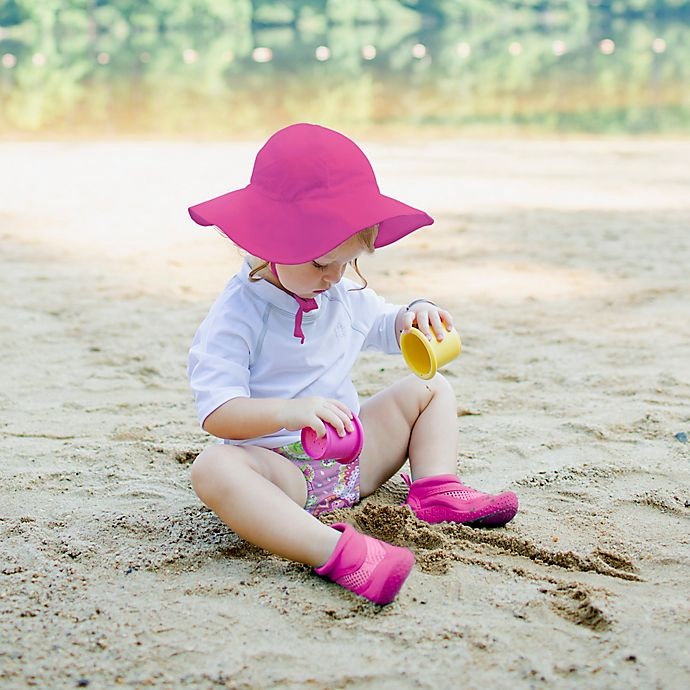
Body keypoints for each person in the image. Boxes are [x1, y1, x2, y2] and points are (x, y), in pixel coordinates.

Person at [187, 123, 518, 606]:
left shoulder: (338, 291)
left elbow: (386, 324)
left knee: (431, 390)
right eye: (323, 262)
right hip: (282, 475)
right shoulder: (238, 315)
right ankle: (339, 553)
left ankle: (436, 489)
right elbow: (218, 412)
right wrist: (290, 412)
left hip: (352, 460)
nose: (336, 277)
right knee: (213, 469)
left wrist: (415, 315)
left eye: (349, 261)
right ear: (271, 242)